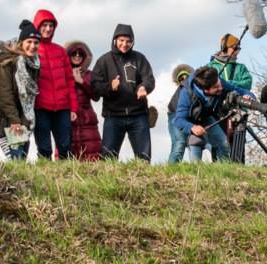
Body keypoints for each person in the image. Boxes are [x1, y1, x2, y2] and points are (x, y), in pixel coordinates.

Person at [91, 24, 156, 161]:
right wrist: (110, 86)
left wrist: (144, 87)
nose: (124, 44)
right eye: (121, 40)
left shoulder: (140, 59)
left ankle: (142, 181)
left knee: (143, 158)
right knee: (108, 158)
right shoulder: (104, 61)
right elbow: (95, 86)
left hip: (138, 114)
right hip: (113, 115)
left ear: (132, 42)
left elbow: (149, 79)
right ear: (115, 40)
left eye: (128, 41)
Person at [0, 20, 41, 160]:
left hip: (19, 117)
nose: (32, 46)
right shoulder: (6, 61)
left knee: (22, 157)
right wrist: (15, 121)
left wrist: (24, 124)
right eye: (29, 41)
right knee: (15, 157)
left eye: (36, 42)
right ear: (21, 42)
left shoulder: (34, 65)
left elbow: (27, 100)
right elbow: (4, 94)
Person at [174, 66, 256, 162]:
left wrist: (249, 96)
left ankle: (227, 172)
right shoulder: (186, 94)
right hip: (182, 117)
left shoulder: (217, 81)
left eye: (219, 84)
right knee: (185, 145)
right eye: (216, 87)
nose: (221, 88)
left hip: (205, 115)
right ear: (206, 90)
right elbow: (178, 120)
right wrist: (192, 127)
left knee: (224, 144)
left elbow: (240, 90)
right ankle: (190, 171)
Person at [32, 9, 78, 160]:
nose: (48, 28)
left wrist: (73, 107)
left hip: (62, 107)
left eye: (51, 25)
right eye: (44, 25)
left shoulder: (60, 51)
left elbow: (70, 81)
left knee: (65, 146)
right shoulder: (32, 50)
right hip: (40, 107)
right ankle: (44, 179)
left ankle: (65, 178)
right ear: (37, 26)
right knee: (44, 148)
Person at [208, 34, 253, 160]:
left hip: (239, 110)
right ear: (224, 48)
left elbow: (247, 83)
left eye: (238, 48)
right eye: (235, 48)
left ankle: (239, 166)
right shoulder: (212, 66)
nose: (237, 51)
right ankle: (219, 166)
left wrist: (230, 85)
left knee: (239, 140)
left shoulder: (241, 68)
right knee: (219, 140)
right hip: (217, 111)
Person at [64, 40, 102, 161]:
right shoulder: (62, 73)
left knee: (92, 155)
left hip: (87, 120)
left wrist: (81, 81)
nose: (77, 56)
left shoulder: (89, 74)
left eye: (80, 54)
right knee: (67, 154)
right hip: (67, 117)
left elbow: (96, 96)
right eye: (74, 54)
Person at [166, 64, 193, 164]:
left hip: (186, 117)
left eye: (186, 76)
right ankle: (173, 168)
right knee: (179, 142)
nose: (184, 79)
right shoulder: (182, 90)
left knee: (181, 143)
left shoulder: (192, 88)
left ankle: (173, 168)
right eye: (181, 78)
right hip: (174, 115)